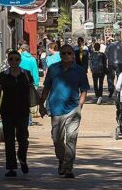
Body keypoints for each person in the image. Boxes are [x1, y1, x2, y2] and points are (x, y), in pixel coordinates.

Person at [39, 44, 90, 179]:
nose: (66, 56)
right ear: (59, 55)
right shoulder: (53, 69)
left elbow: (84, 89)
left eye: (69, 53)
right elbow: (46, 88)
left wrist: (80, 105)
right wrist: (41, 104)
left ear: (73, 55)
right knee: (57, 139)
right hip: (56, 109)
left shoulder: (79, 70)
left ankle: (68, 167)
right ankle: (62, 159)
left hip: (73, 109)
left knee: (71, 139)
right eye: (63, 53)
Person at [0, 50, 32, 177]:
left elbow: (32, 92)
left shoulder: (26, 75)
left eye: (16, 59)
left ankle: (22, 157)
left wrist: (38, 106)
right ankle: (11, 167)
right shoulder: (2, 76)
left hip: (23, 111)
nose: (13, 61)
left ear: (20, 61)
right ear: (8, 61)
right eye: (11, 59)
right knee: (9, 140)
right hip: (7, 111)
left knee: (23, 139)